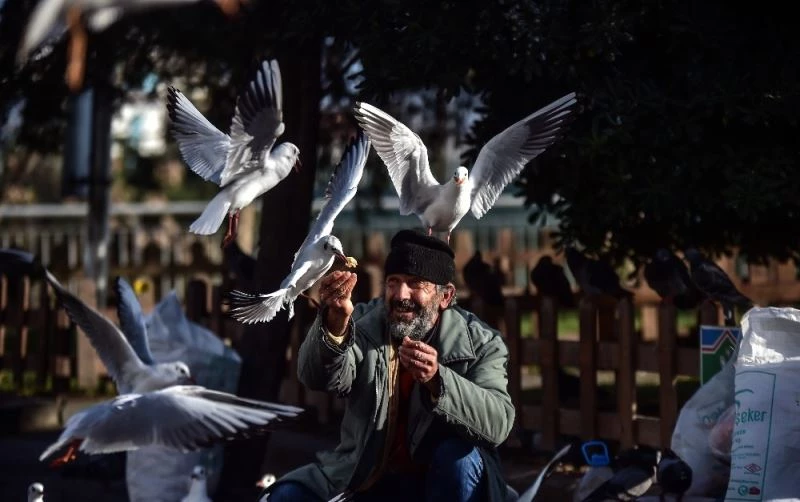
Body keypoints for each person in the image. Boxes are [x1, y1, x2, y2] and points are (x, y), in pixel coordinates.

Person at [261, 229, 516, 501]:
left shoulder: (481, 342)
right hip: (367, 478)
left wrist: (438, 380)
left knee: (458, 457)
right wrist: (334, 326)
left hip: (439, 481)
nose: (400, 294)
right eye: (393, 282)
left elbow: (498, 424)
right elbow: (315, 377)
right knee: (287, 496)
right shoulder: (362, 322)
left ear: (444, 296)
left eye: (416, 283)